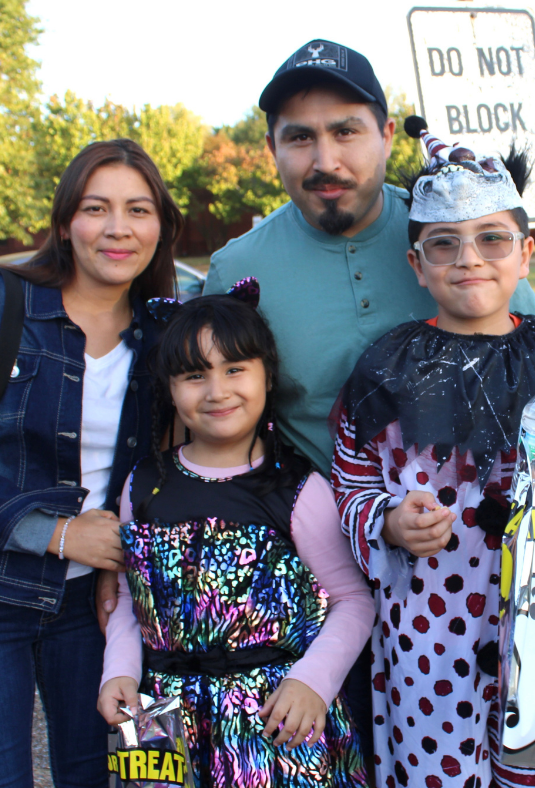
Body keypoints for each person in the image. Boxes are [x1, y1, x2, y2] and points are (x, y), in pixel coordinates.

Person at [194, 43, 535, 762]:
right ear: (272, 151)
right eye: (300, 137)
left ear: (388, 136)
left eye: (346, 130)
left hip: (477, 581)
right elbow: (202, 422)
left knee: (495, 761)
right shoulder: (238, 270)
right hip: (316, 585)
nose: (325, 158)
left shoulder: (453, 236)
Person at [331, 121, 535, 788]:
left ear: (525, 253)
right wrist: (387, 521)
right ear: (416, 266)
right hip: (428, 640)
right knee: (436, 774)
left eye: (492, 239)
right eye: (443, 244)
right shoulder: (385, 368)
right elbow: (350, 479)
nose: (469, 258)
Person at [0, 139, 184, 788]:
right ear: (65, 223)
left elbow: (167, 470)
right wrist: (57, 532)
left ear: (161, 227)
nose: (119, 228)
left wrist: (130, 564)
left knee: (97, 777)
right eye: (97, 208)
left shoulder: (166, 335)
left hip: (96, 605)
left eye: (139, 210)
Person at [98, 287, 373, 786]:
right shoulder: (142, 485)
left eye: (234, 369)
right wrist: (118, 671)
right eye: (194, 375)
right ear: (170, 387)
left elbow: (353, 599)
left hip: (273, 716)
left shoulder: (297, 490)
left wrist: (313, 682)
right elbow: (125, 595)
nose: (217, 391)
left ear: (267, 374)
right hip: (160, 714)